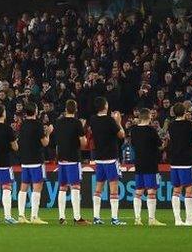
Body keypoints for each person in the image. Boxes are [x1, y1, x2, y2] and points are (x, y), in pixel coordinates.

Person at [88, 97, 125, 225]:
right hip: (110, 158)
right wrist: (118, 122)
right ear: (105, 106)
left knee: (98, 188)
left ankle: (96, 217)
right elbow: (121, 135)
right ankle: (114, 218)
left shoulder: (93, 120)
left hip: (99, 158)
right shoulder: (110, 120)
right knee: (113, 188)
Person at [167, 102, 192, 226]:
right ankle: (189, 219)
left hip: (174, 161)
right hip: (186, 161)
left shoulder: (171, 125)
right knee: (189, 190)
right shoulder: (190, 124)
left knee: (176, 190)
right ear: (184, 112)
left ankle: (177, 219)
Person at [129, 108, 165, 226]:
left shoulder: (133, 130)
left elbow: (133, 144)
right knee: (151, 191)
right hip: (151, 163)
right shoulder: (151, 130)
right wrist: (165, 142)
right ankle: (151, 219)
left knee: (138, 191)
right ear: (149, 117)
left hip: (139, 163)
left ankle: (137, 219)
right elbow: (160, 145)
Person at [53, 99, 87, 225]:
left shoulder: (58, 122)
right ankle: (77, 217)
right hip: (73, 159)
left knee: (62, 187)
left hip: (62, 159)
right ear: (76, 109)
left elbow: (56, 141)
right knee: (75, 187)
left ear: (66, 109)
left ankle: (61, 217)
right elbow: (84, 143)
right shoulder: (77, 123)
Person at [16, 102, 50, 224]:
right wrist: (49, 133)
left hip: (25, 160)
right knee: (37, 187)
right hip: (36, 160)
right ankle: (34, 217)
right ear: (35, 111)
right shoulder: (37, 124)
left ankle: (21, 215)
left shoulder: (23, 125)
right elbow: (45, 143)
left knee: (23, 187)